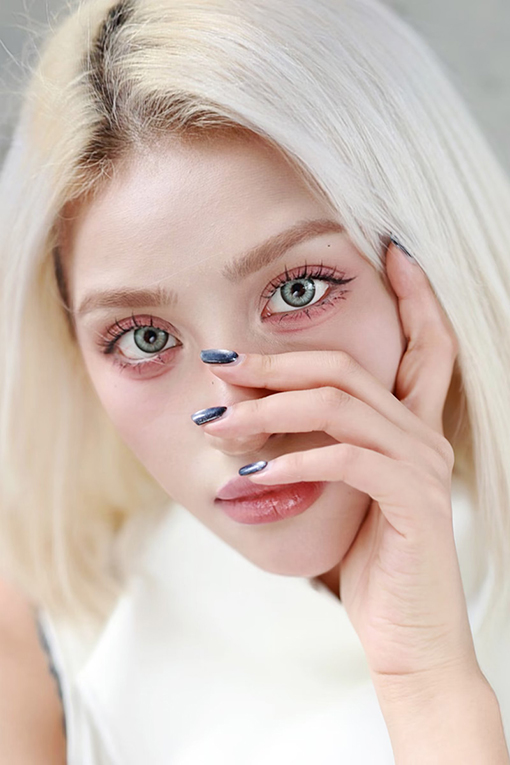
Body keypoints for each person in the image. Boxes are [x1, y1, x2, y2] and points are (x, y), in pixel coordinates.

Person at [1, 0, 510, 762]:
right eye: (143, 338)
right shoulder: (39, 640)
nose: (239, 421)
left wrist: (430, 682)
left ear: (428, 267)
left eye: (298, 290)